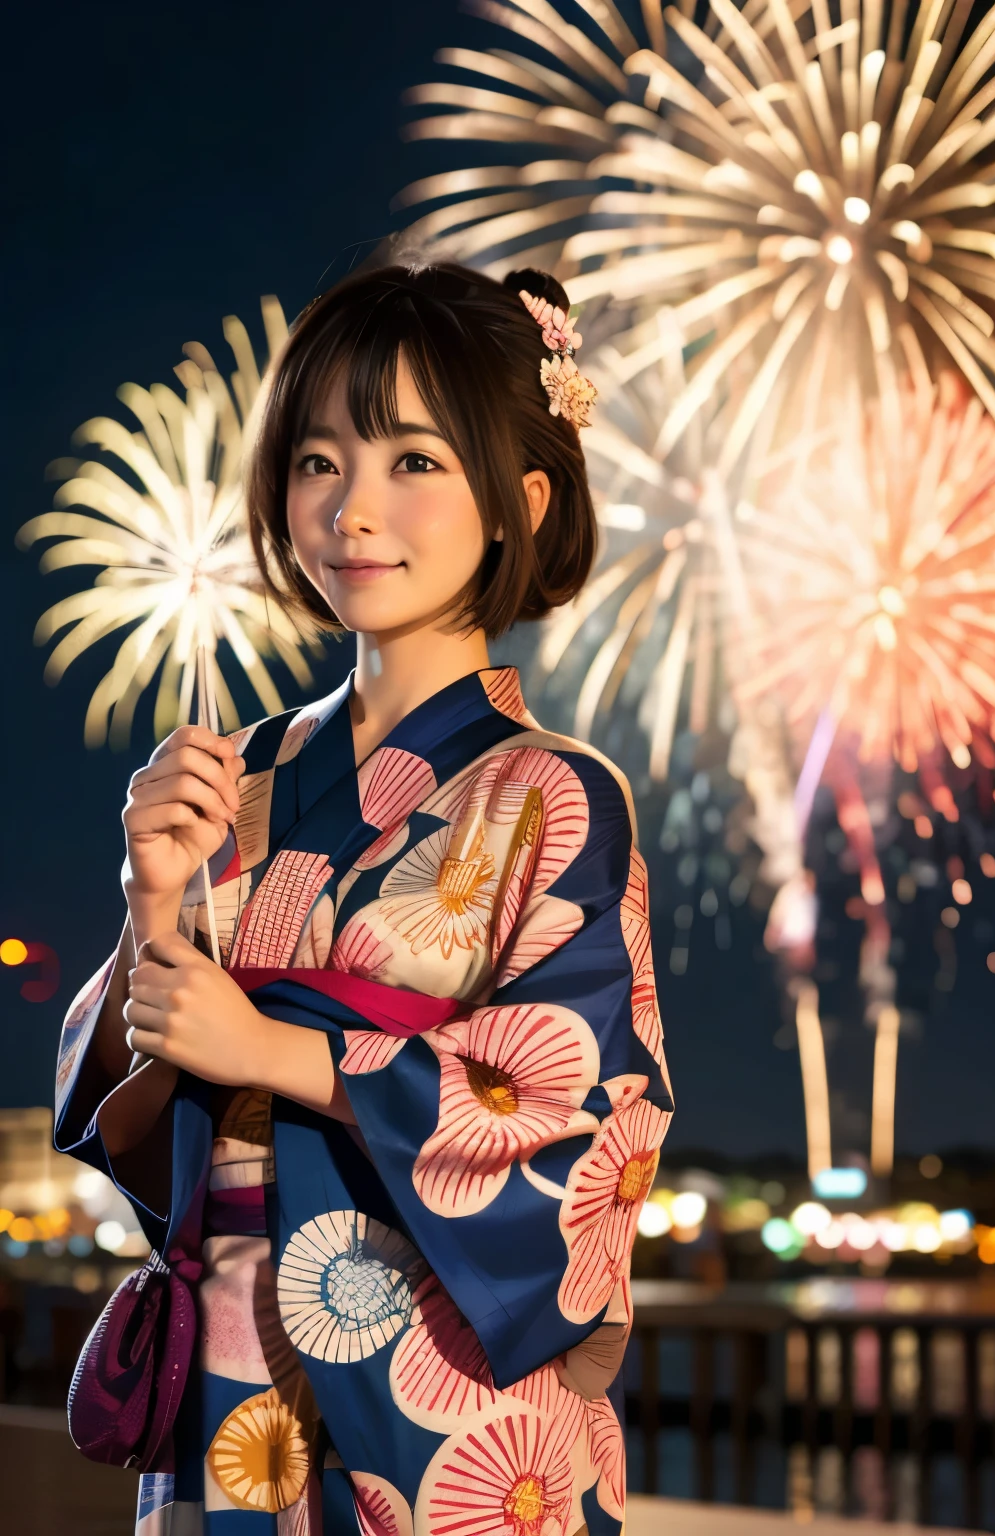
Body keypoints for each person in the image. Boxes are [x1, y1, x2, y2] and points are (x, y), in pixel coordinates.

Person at [55, 261, 674, 1536]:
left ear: (522, 499)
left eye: (414, 461)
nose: (354, 508)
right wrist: (150, 908)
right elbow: (137, 1106)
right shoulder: (244, 775)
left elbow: (582, 1115)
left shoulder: (554, 794)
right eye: (320, 460)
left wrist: (278, 1050)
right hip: (233, 1389)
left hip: (445, 1402)